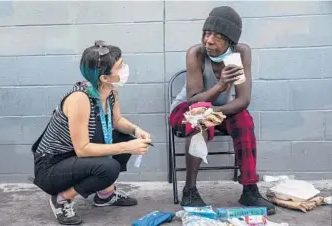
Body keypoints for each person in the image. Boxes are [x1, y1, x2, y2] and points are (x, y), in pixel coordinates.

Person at [168, 6, 276, 215]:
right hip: (186, 111)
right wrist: (220, 86)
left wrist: (215, 111)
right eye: (207, 34)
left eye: (217, 37)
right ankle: (189, 190)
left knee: (243, 119)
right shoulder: (196, 54)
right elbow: (193, 100)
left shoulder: (241, 53)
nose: (209, 41)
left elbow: (243, 100)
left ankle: (249, 189)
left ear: (230, 41)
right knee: (200, 115)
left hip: (218, 110)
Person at [31, 40, 152, 225]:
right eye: (120, 67)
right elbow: (82, 149)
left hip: (72, 158)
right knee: (112, 164)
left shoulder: (110, 91)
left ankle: (105, 195)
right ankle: (61, 199)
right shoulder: (80, 99)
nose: (125, 69)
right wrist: (126, 147)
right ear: (104, 77)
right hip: (52, 167)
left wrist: (137, 131)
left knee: (124, 138)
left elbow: (117, 121)